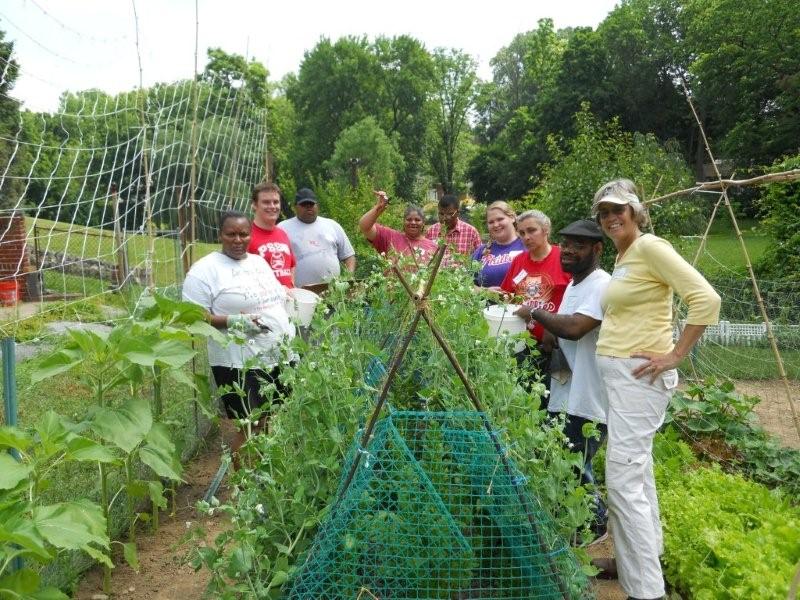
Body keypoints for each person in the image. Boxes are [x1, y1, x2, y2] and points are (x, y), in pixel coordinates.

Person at [591, 179, 720, 600]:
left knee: (622, 480)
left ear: (635, 211)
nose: (611, 218)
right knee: (637, 474)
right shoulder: (627, 255)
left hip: (640, 379)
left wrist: (675, 354)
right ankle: (642, 565)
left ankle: (647, 592)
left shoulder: (650, 248)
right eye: (604, 212)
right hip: (623, 380)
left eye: (617, 210)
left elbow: (706, 299)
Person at [517, 219, 611, 542]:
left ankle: (596, 525)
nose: (568, 250)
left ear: (597, 249)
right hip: (567, 390)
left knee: (575, 465)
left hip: (589, 396)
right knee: (567, 462)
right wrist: (550, 339)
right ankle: (581, 524)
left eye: (579, 245)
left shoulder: (601, 284)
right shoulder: (574, 284)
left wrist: (536, 314)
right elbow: (564, 332)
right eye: (566, 244)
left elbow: (575, 327)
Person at [183, 210, 296, 463]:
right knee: (250, 426)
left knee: (269, 419)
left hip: (276, 356)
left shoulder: (258, 262)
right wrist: (235, 321)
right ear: (219, 235)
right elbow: (192, 317)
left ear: (250, 234)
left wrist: (293, 298)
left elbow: (277, 295)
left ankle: (264, 482)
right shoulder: (204, 271)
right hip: (238, 363)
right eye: (231, 234)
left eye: (243, 234)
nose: (238, 239)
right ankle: (245, 490)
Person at [501, 210, 571, 397]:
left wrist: (553, 327)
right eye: (521, 233)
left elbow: (577, 298)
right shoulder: (518, 261)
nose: (526, 237)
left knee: (556, 397)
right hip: (523, 346)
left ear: (546, 229)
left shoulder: (564, 257)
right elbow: (508, 296)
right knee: (525, 399)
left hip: (557, 346)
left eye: (532, 230)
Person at [278, 187, 356, 289]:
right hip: (299, 294)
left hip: (334, 293)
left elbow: (349, 256)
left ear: (317, 205)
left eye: (311, 204)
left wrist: (348, 278)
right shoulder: (282, 228)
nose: (308, 207)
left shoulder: (332, 225)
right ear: (295, 207)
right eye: (304, 205)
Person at [359, 190, 437, 265]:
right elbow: (364, 226)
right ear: (403, 222)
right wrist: (378, 208)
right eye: (409, 219)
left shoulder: (433, 247)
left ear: (423, 223)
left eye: (417, 220)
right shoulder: (390, 237)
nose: (413, 222)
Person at [248, 181, 295, 287]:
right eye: (266, 202)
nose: (272, 206)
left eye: (276, 202)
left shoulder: (282, 233)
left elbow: (292, 264)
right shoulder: (245, 236)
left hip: (288, 301)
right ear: (254, 205)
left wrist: (291, 285)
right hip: (262, 301)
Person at [472, 200, 525, 288]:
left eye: (500, 219)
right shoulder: (481, 251)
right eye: (491, 222)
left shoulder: (527, 246)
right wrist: (484, 292)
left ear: (512, 218)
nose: (496, 225)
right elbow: (465, 284)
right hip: (487, 302)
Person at [425, 194, 481, 263]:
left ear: (458, 212)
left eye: (449, 214)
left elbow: (480, 258)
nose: (445, 218)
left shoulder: (471, 232)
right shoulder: (431, 231)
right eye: (441, 214)